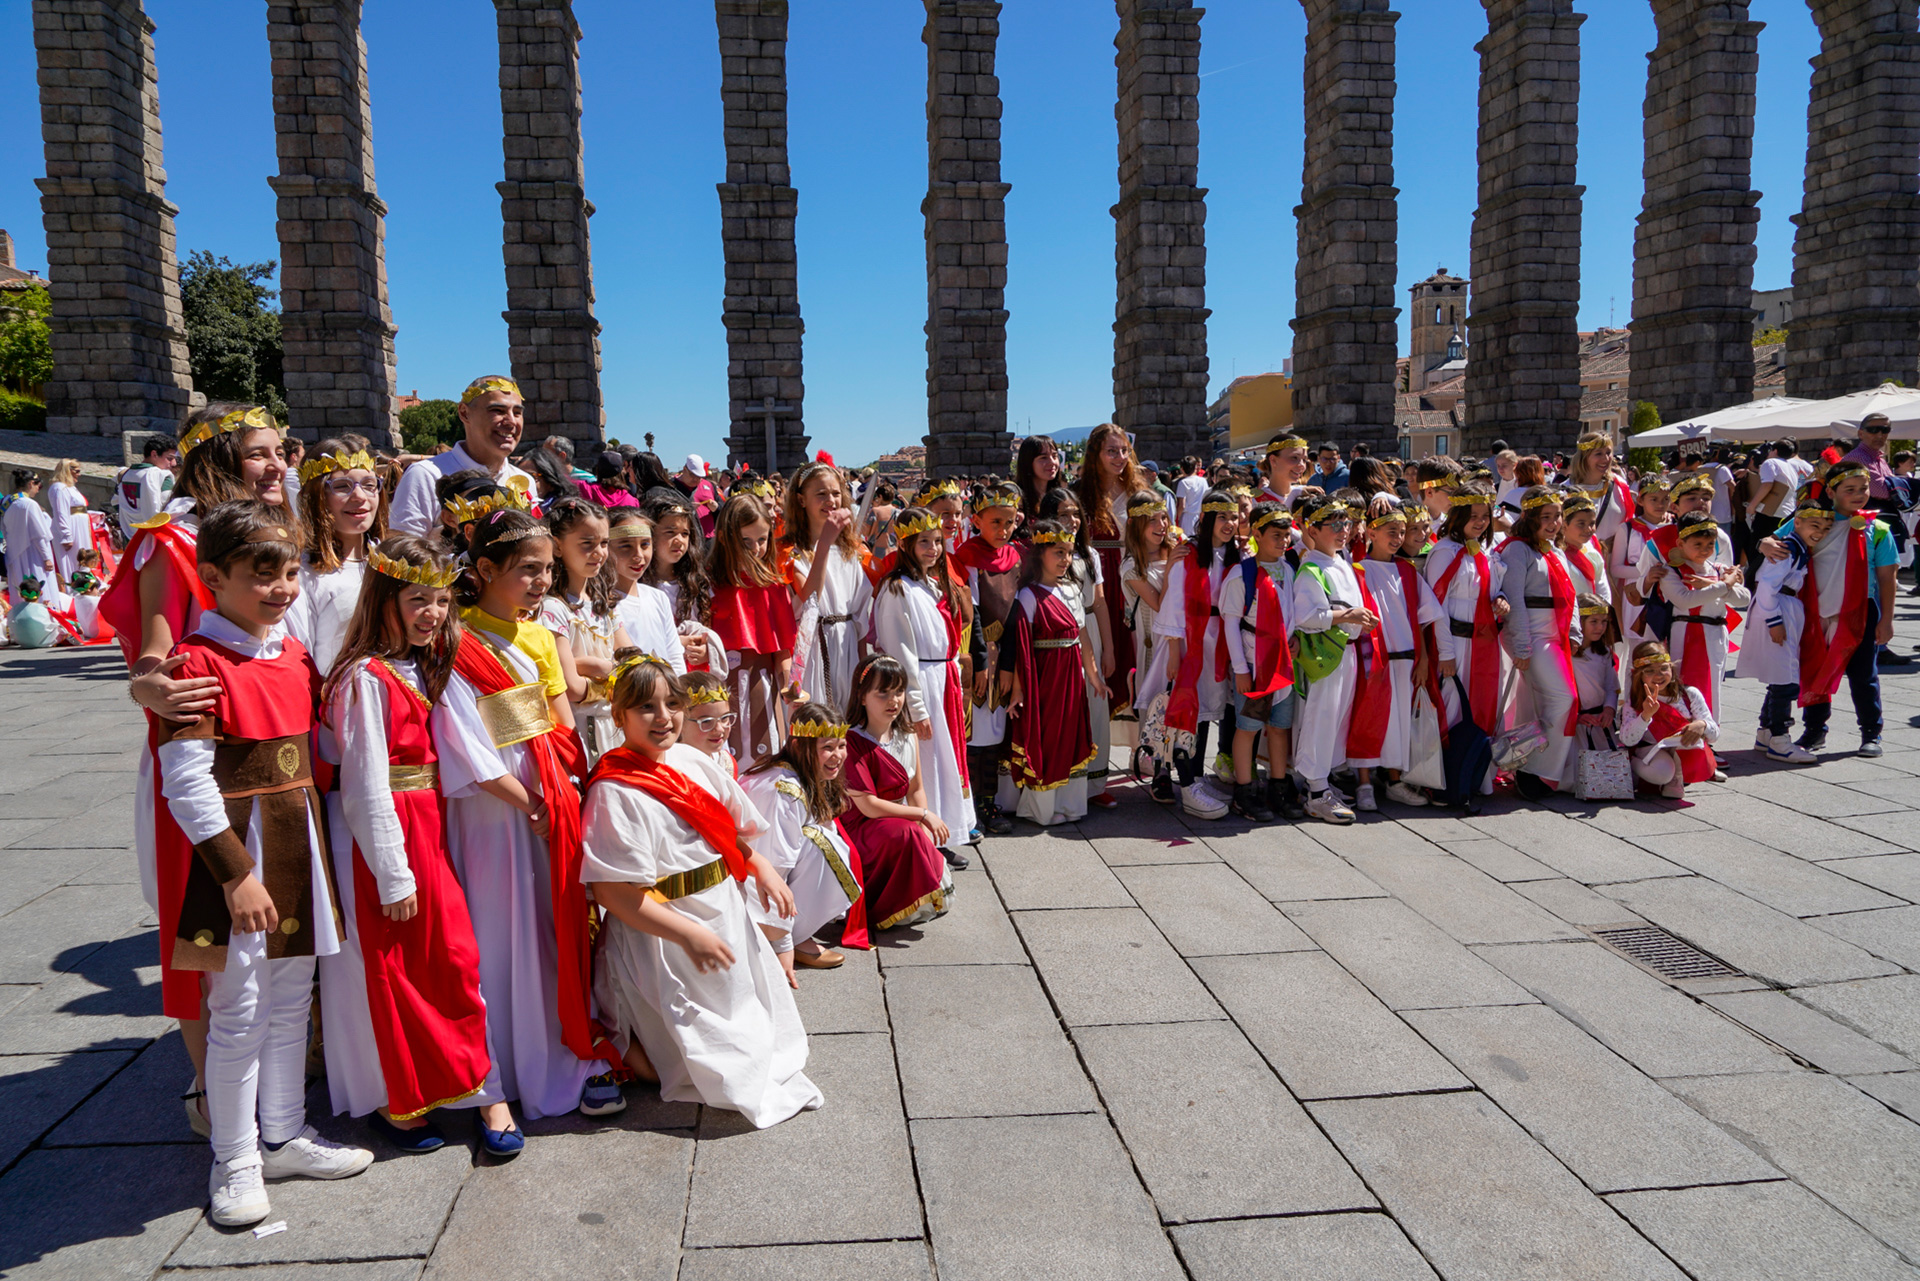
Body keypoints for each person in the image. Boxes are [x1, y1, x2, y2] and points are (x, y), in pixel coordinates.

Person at [154, 501, 372, 1226]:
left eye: (287, 571)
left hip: (296, 843)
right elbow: (184, 778)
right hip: (240, 859)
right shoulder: (197, 662)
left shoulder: (290, 653)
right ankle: (235, 1156)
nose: (280, 586)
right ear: (213, 575)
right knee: (238, 1009)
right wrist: (234, 873)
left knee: (289, 996)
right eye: (260, 573)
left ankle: (282, 1132)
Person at [102, 403, 294, 1140]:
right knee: (204, 921)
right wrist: (149, 684)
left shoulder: (274, 536)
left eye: (280, 452)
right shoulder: (173, 541)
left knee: (281, 927)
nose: (277, 466)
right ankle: (213, 1099)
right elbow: (154, 650)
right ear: (214, 460)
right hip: (202, 753)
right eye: (257, 454)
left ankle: (272, 1088)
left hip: (277, 750)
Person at [316, 536, 501, 1155]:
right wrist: (392, 873)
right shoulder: (365, 677)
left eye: (443, 601)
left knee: (446, 957)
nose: (434, 614)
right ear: (384, 599)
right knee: (398, 963)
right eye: (419, 600)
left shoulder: (411, 666)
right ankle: (397, 1101)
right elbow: (364, 782)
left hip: (423, 818)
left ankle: (453, 1082)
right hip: (388, 828)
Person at [581, 653, 819, 1128]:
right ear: (618, 716)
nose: (664, 717)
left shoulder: (693, 759)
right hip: (664, 934)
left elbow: (731, 831)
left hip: (723, 913)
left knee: (752, 1029)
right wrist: (687, 934)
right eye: (646, 707)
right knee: (705, 1063)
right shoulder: (615, 792)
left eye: (672, 703)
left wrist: (761, 867)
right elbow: (614, 893)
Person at [437, 508, 622, 1121]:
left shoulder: (541, 635)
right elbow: (466, 741)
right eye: (527, 570)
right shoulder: (456, 637)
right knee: (495, 932)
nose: (543, 581)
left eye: (547, 569)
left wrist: (565, 789)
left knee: (551, 926)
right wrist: (530, 798)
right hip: (492, 810)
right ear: (485, 568)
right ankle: (493, 1073)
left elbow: (561, 724)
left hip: (548, 798)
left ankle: (558, 1045)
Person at [869, 508, 973, 865]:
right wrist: (916, 707)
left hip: (943, 678)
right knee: (925, 762)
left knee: (945, 759)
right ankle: (927, 838)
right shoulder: (898, 590)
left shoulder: (930, 584)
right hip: (923, 684)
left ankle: (944, 832)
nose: (933, 549)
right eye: (924, 542)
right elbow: (902, 654)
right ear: (906, 544)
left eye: (938, 542)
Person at [742, 704, 865, 973]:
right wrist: (782, 944)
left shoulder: (796, 776)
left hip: (757, 879)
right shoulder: (785, 790)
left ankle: (790, 930)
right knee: (821, 842)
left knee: (821, 838)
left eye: (841, 746)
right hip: (751, 889)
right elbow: (775, 866)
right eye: (827, 748)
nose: (837, 756)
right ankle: (788, 936)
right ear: (799, 747)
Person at [1003, 521, 1109, 825]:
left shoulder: (1073, 589)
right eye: (1058, 552)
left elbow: (1082, 635)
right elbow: (1023, 648)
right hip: (1046, 678)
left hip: (1071, 673)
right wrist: (1020, 690)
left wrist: (1093, 675)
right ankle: (1042, 809)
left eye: (1069, 553)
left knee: (1072, 735)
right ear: (1041, 555)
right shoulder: (1029, 595)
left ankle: (1070, 806)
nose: (1065, 559)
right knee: (1049, 738)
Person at [841, 655, 953, 928]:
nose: (893, 701)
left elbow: (916, 788)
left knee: (911, 832)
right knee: (908, 831)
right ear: (862, 696)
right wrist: (922, 816)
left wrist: (923, 826)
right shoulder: (851, 740)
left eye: (899, 692)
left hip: (900, 822)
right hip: (862, 826)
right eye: (883, 693)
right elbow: (868, 805)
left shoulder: (907, 734)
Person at [1796, 460, 1899, 755]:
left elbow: (1887, 577)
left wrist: (1887, 620)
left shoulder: (1877, 528)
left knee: (1863, 674)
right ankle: (1814, 731)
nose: (1858, 494)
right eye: (1849, 489)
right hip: (1815, 609)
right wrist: (1766, 543)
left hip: (1860, 610)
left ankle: (1871, 733)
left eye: (1863, 488)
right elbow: (1779, 540)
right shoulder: (1812, 519)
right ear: (1831, 490)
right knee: (1816, 667)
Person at [1350, 496, 1444, 810]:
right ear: (1371, 533)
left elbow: (1421, 618)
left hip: (1406, 659)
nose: (1398, 538)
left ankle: (1394, 780)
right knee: (1368, 717)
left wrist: (1425, 659)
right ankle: (1363, 782)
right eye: (1391, 530)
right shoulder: (1358, 569)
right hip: (1373, 659)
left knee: (1400, 722)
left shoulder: (1406, 570)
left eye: (1401, 532)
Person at [1158, 488, 1244, 820]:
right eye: (1222, 516)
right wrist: (1174, 652)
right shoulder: (1189, 555)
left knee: (1208, 710)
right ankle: (1187, 782)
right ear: (1206, 519)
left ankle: (1196, 777)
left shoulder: (1237, 555)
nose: (1229, 523)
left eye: (1234, 517)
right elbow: (1175, 604)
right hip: (1194, 639)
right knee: (1187, 710)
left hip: (1221, 639)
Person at [1290, 494, 1376, 824]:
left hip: (1348, 652)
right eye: (1334, 525)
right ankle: (1314, 792)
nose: (1343, 531)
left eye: (1346, 524)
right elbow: (1307, 617)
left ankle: (1323, 781)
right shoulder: (1311, 568)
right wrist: (1346, 616)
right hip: (1326, 654)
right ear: (1312, 529)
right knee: (1321, 719)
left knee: (1338, 718)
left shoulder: (1341, 562)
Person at [1735, 488, 1831, 763]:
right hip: (1776, 608)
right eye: (1815, 525)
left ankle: (1766, 732)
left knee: (1780, 675)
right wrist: (1775, 622)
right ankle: (1779, 738)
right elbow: (1766, 586)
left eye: (1825, 528)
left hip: (1782, 607)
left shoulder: (1797, 547)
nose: (1820, 532)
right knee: (1785, 678)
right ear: (1797, 522)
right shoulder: (1787, 549)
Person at [1499, 488, 1582, 799]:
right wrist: (1521, 645)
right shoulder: (1517, 550)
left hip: (1555, 636)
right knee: (1565, 699)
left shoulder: (1555, 551)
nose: (1553, 522)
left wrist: (1574, 633)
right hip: (1532, 635)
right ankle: (1535, 769)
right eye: (1545, 517)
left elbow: (1571, 598)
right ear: (1529, 518)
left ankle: (1531, 763)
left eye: (1557, 516)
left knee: (1541, 704)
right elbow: (1515, 600)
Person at [952, 483, 1025, 835]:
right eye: (996, 522)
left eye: (1009, 522)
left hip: (1003, 661)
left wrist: (1009, 666)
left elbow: (1014, 617)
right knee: (974, 734)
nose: (1003, 530)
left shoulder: (1013, 558)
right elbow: (974, 615)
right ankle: (970, 804)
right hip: (979, 658)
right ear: (977, 520)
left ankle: (989, 802)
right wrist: (981, 663)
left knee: (995, 734)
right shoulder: (968, 558)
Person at [1218, 502, 1298, 820]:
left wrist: (1292, 638)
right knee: (1248, 727)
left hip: (1281, 665)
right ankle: (1245, 791)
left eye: (1286, 536)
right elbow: (1230, 623)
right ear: (1257, 533)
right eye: (1276, 535)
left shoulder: (1289, 570)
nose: (1283, 542)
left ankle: (1277, 787)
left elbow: (1290, 612)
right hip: (1253, 665)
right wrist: (1240, 668)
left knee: (1279, 727)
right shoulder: (1242, 574)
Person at [1037, 488, 1118, 807]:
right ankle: (1059, 783)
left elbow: (1099, 603)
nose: (1071, 521)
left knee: (1095, 705)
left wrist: (1108, 649)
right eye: (1063, 515)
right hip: (1056, 637)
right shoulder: (1041, 552)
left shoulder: (1089, 554)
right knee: (1064, 708)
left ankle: (1095, 785)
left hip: (1090, 631)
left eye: (1075, 514)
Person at [539, 497, 630, 765]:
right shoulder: (552, 609)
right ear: (557, 545)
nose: (599, 553)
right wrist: (609, 672)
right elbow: (572, 688)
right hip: (580, 727)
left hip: (614, 723)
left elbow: (632, 663)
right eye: (587, 544)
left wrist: (591, 666)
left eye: (603, 543)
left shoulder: (602, 603)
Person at [387, 377, 536, 538]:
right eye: (498, 411)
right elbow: (402, 551)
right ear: (464, 413)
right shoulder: (425, 475)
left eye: (517, 413)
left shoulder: (524, 481)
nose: (511, 422)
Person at [1425, 483, 1510, 762]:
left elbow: (1490, 590)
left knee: (1483, 707)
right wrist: (1446, 654)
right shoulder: (1445, 552)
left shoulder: (1483, 552)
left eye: (1485, 516)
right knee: (1454, 711)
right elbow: (1437, 607)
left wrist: (1500, 599)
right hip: (1456, 645)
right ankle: (1449, 778)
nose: (1481, 522)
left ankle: (1477, 776)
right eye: (1473, 516)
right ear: (1459, 516)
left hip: (1485, 643)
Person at [285, 438, 382, 676]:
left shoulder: (390, 563)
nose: (360, 497)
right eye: (341, 486)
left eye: (369, 485)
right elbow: (297, 660)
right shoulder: (303, 575)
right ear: (316, 496)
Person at [781, 461, 870, 716]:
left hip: (848, 647)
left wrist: (864, 669)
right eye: (821, 494)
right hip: (813, 651)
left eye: (835, 493)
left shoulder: (852, 551)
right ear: (801, 500)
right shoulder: (789, 552)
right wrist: (823, 546)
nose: (830, 500)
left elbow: (861, 617)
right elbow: (809, 602)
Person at [1076, 423, 1146, 711]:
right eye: (1111, 451)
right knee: (1100, 648)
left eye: (1124, 451)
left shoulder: (1137, 491)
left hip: (1131, 578)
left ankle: (1134, 745)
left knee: (1135, 651)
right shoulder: (1080, 494)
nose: (1119, 457)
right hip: (1095, 580)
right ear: (1095, 455)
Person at [1660, 510, 1749, 730]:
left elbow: (1744, 597)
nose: (1704, 550)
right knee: (1684, 684)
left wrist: (1713, 585)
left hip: (1716, 633)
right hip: (1685, 632)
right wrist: (1723, 586)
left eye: (1709, 544)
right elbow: (1685, 600)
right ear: (1681, 543)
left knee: (1713, 686)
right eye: (1697, 544)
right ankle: (1682, 732)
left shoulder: (1718, 569)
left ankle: (1710, 737)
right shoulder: (1671, 571)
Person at [1119, 491, 1178, 801]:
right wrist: (1173, 567)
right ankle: (1159, 770)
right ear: (1137, 526)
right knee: (1158, 703)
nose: (1161, 525)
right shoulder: (1131, 567)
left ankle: (1178, 763)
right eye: (1152, 520)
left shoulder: (1176, 553)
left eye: (1164, 517)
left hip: (1182, 640)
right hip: (1153, 644)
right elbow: (1160, 603)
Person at [1619, 641, 1717, 799]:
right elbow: (1628, 740)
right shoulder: (1635, 701)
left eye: (1664, 669)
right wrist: (1645, 715)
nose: (1658, 676)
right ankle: (1631, 765)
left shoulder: (1689, 695)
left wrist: (1701, 725)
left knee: (1695, 746)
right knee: (1662, 774)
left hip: (1683, 750)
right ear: (1639, 675)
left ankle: (1677, 776)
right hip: (1650, 751)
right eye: (1650, 671)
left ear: (1671, 668)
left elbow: (1714, 734)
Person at [608, 509, 686, 673]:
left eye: (645, 545)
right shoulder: (604, 604)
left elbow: (674, 657)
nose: (638, 555)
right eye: (625, 546)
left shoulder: (658, 597)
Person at [1613, 476, 1671, 647]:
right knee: (1637, 648)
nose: (1660, 504)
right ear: (1640, 499)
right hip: (1637, 594)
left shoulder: (1674, 525)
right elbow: (1615, 568)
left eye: (1665, 499)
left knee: (1665, 645)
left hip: (1668, 590)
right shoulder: (1627, 528)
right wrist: (1647, 572)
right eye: (1654, 499)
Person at [3, 469, 53, 603]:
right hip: (33, 554)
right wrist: (46, 557)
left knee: (19, 587)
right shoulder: (30, 504)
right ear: (31, 484)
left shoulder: (6, 501)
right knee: (37, 586)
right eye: (38, 486)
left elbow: (3, 528)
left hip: (13, 552)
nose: (38, 490)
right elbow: (38, 535)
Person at [116, 434, 178, 538]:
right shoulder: (162, 476)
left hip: (129, 535)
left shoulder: (125, 475)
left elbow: (116, 502)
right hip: (153, 538)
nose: (173, 463)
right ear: (154, 454)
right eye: (169, 458)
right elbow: (169, 509)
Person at [45, 459, 89, 588]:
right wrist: (66, 536)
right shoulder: (59, 488)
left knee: (81, 559)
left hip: (79, 527)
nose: (79, 474)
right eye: (77, 471)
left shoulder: (69, 488)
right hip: (71, 528)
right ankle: (73, 589)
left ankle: (83, 586)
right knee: (72, 561)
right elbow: (61, 512)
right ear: (68, 471)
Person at [1014, 435, 1067, 524]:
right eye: (1043, 458)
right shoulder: (1017, 501)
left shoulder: (1061, 498)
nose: (1052, 462)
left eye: (1054, 456)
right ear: (1028, 462)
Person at [674, 455, 721, 538]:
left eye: (699, 477)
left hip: (709, 539)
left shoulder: (709, 485)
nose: (696, 479)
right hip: (687, 539)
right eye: (693, 475)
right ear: (685, 469)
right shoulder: (671, 486)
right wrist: (686, 508)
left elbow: (723, 507)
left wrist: (717, 508)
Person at [1173, 455, 1208, 536]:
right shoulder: (1203, 481)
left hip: (1187, 518)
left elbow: (1182, 505)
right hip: (1200, 516)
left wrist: (1176, 518)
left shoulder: (1183, 483)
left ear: (1182, 469)